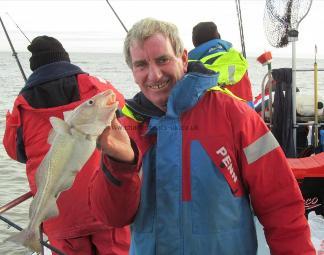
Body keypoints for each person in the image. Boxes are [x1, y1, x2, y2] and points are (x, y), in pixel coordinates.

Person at [89, 18, 315, 254]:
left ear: (184, 58)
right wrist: (120, 164)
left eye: (162, 60)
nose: (154, 75)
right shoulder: (124, 129)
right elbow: (111, 217)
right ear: (133, 72)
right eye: (141, 65)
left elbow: (281, 203)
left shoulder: (235, 115)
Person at [3, 36, 130, 255]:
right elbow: (126, 121)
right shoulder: (95, 86)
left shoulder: (21, 106)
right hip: (106, 206)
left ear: (34, 68)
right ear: (65, 58)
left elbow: (15, 151)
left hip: (61, 217)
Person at [188, 21, 254, 107]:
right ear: (219, 37)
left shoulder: (188, 70)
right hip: (244, 117)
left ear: (194, 42)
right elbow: (248, 103)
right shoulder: (238, 62)